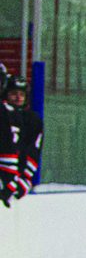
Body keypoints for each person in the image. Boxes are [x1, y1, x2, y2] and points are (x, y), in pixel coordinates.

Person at [1, 74, 41, 208]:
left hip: (17, 176)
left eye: (21, 94)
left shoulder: (33, 120)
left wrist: (23, 179)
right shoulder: (3, 114)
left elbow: (34, 150)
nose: (18, 97)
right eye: (13, 93)